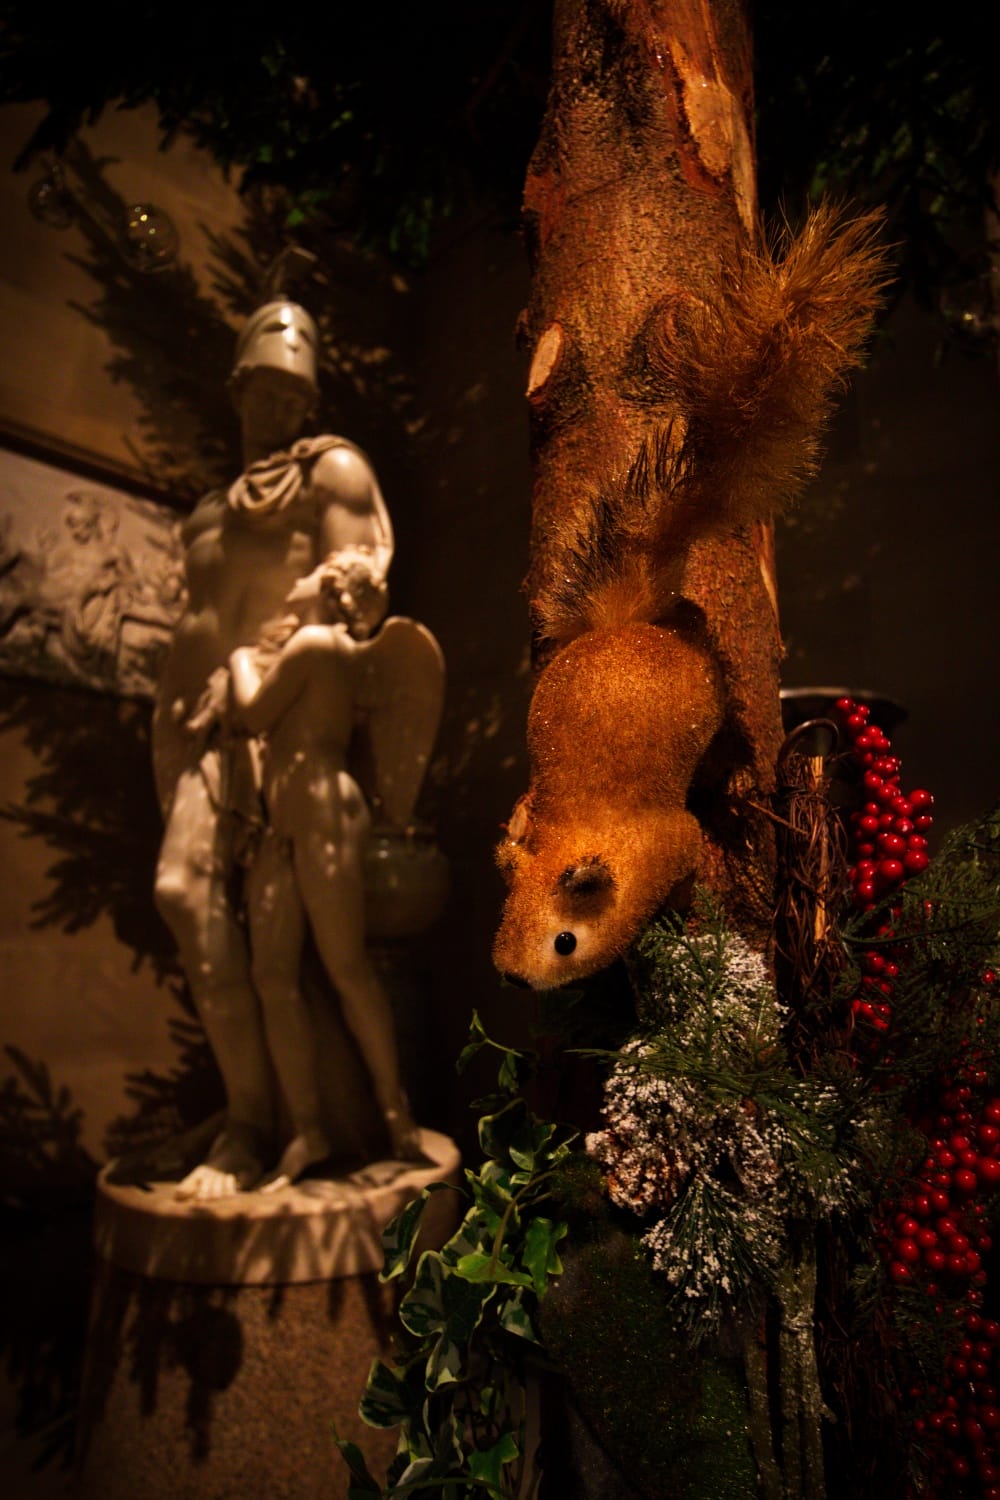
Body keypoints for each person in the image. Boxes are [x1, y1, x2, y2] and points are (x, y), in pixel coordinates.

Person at [152, 296, 394, 1200]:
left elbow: (352, 601)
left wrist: (258, 673)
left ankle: (271, 1127)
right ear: (236, 388)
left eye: (296, 394)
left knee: (258, 941)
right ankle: (247, 1117)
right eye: (264, 389)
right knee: (188, 903)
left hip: (276, 727)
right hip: (197, 729)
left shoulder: (330, 473)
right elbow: (197, 618)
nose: (280, 406)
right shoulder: (209, 511)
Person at [228, 551, 428, 1187]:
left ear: (335, 590)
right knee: (271, 975)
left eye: (311, 572)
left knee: (345, 966)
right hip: (285, 819)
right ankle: (308, 1129)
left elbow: (252, 713)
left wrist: (238, 660)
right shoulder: (316, 648)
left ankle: (395, 1112)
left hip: (321, 809)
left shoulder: (318, 643)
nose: (297, 580)